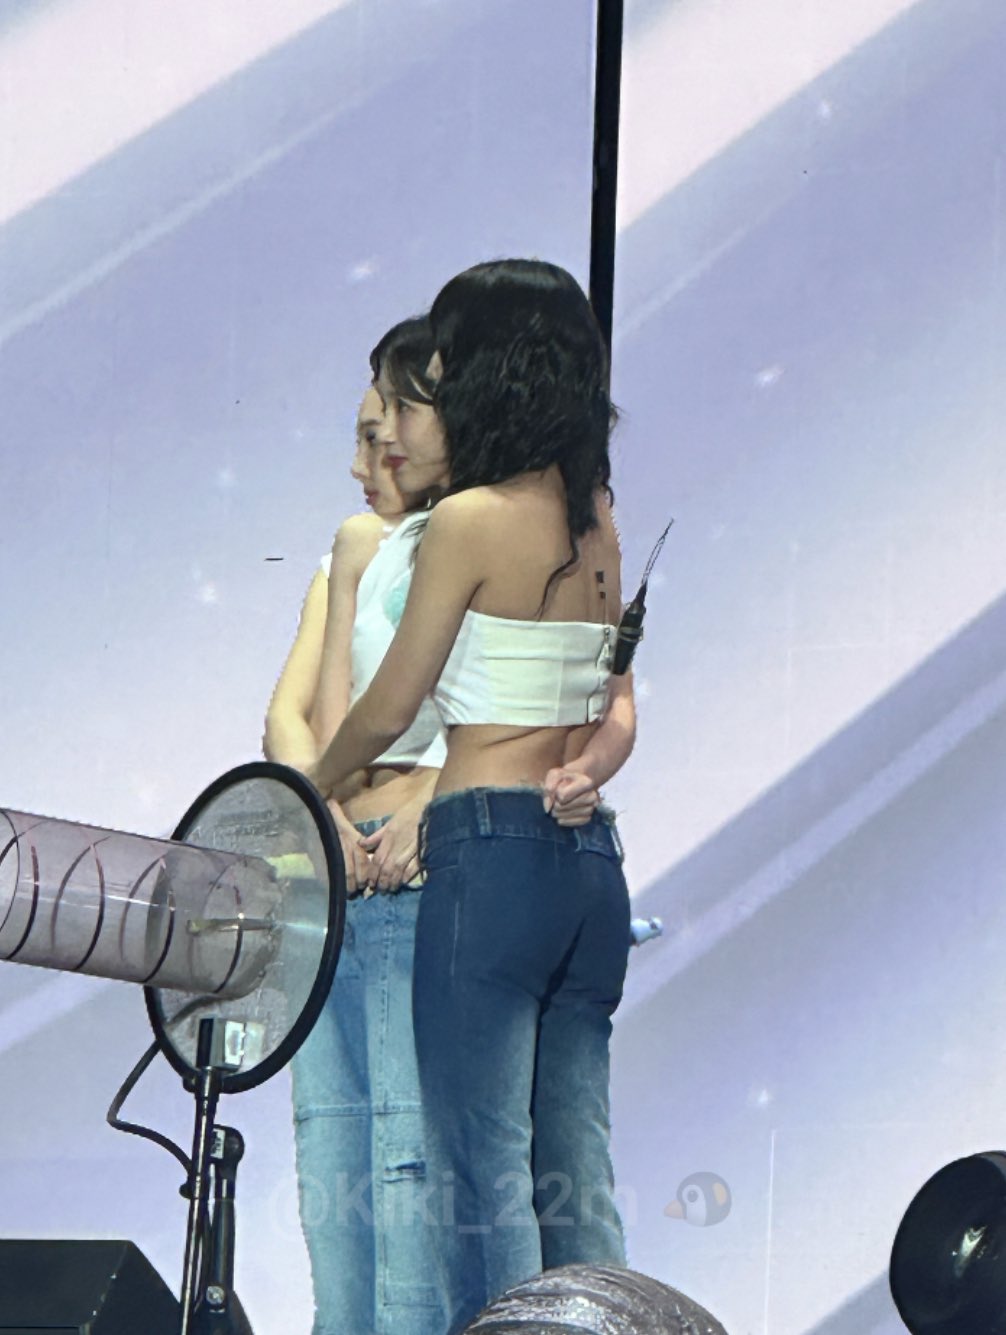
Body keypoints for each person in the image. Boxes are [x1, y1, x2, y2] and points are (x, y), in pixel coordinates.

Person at [266, 313, 611, 1335]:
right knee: (342, 1166)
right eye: (368, 430)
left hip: (442, 868)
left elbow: (496, 709)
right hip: (346, 878)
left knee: (439, 1169)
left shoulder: (488, 528)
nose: (377, 452)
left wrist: (428, 797)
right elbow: (316, 709)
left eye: (395, 421)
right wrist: (319, 807)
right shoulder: (366, 547)